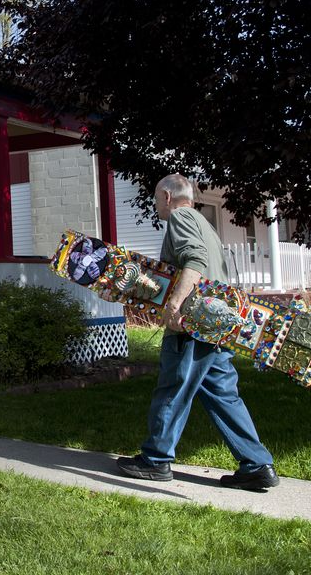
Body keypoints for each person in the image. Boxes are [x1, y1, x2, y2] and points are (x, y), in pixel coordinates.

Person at [116, 174, 279, 490]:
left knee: (173, 388)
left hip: (192, 326)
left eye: (154, 198)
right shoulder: (206, 225)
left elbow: (196, 260)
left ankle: (155, 460)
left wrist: (175, 304)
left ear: (166, 195)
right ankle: (257, 465)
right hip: (216, 327)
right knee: (223, 395)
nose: (155, 205)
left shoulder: (180, 217)